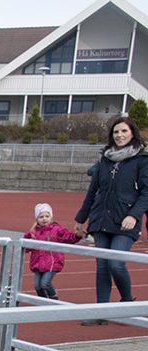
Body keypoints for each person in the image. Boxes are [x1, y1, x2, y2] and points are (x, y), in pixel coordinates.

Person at [74, 115, 148, 325]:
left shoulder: (141, 161)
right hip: (101, 220)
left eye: (124, 131)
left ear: (132, 133)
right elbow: (93, 191)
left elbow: (146, 193)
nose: (119, 135)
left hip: (125, 222)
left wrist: (133, 215)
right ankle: (101, 313)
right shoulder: (104, 160)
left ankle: (126, 301)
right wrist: (81, 218)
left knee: (116, 263)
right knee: (102, 267)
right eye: (116, 132)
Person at [23, 202, 80, 300]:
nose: (44, 219)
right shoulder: (34, 232)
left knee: (45, 283)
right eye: (41, 217)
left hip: (52, 262)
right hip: (37, 263)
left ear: (51, 217)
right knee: (37, 286)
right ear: (36, 220)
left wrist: (77, 236)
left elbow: (67, 237)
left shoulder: (57, 229)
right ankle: (43, 301)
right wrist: (30, 234)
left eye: (47, 216)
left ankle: (54, 298)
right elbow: (27, 247)